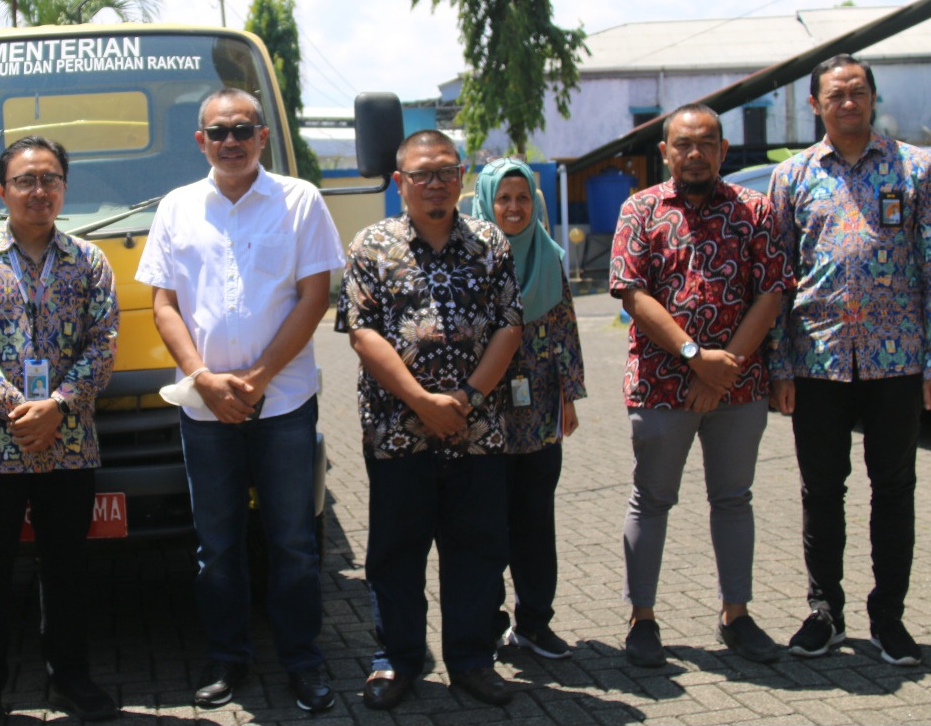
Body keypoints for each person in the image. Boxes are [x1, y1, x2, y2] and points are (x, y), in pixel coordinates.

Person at [135, 87, 345, 713]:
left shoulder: (300, 200)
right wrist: (202, 378)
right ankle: (228, 660)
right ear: (200, 141)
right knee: (217, 546)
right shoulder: (176, 208)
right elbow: (164, 302)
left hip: (282, 404)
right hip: (204, 409)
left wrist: (255, 378)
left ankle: (303, 662)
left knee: (293, 543)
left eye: (242, 130)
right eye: (218, 132)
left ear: (262, 137)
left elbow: (315, 296)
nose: (231, 142)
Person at [767, 54, 931, 667]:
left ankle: (890, 617)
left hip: (898, 363)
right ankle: (824, 612)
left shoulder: (916, 169)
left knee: (894, 490)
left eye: (857, 91)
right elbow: (776, 278)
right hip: (817, 363)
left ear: (873, 99)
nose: (846, 102)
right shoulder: (793, 178)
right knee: (821, 491)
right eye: (835, 94)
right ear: (817, 105)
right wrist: (778, 366)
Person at [337, 129, 524, 711]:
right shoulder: (371, 245)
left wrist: (465, 398)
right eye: (422, 174)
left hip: (478, 430)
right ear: (400, 183)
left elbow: (510, 326)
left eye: (446, 171)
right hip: (398, 434)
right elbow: (362, 333)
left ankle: (471, 660)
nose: (435, 182)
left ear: (462, 176)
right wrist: (421, 400)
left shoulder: (490, 241)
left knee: (476, 551)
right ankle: (398, 661)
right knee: (396, 555)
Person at [0, 136, 120, 725]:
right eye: (25, 180)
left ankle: (70, 680)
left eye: (49, 179)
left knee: (66, 569)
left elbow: (103, 343)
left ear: (64, 189)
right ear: (2, 191)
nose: (38, 190)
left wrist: (60, 407)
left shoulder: (90, 261)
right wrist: (22, 408)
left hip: (68, 444)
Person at [608, 103, 793, 668]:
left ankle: (736, 614)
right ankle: (642, 619)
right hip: (662, 388)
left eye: (706, 143)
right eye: (683, 144)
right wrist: (695, 357)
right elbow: (633, 294)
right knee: (652, 500)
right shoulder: (640, 210)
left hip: (739, 388)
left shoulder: (755, 211)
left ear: (723, 150)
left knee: (733, 500)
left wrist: (724, 367)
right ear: (664, 151)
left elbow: (772, 291)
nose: (694, 153)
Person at [471, 157, 586, 661]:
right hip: (484, 409)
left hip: (539, 407)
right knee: (485, 522)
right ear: (485, 203)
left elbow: (565, 328)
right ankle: (488, 624)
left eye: (522, 198)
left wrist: (569, 396)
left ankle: (535, 622)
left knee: (535, 519)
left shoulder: (548, 255)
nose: (513, 208)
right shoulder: (469, 258)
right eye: (503, 199)